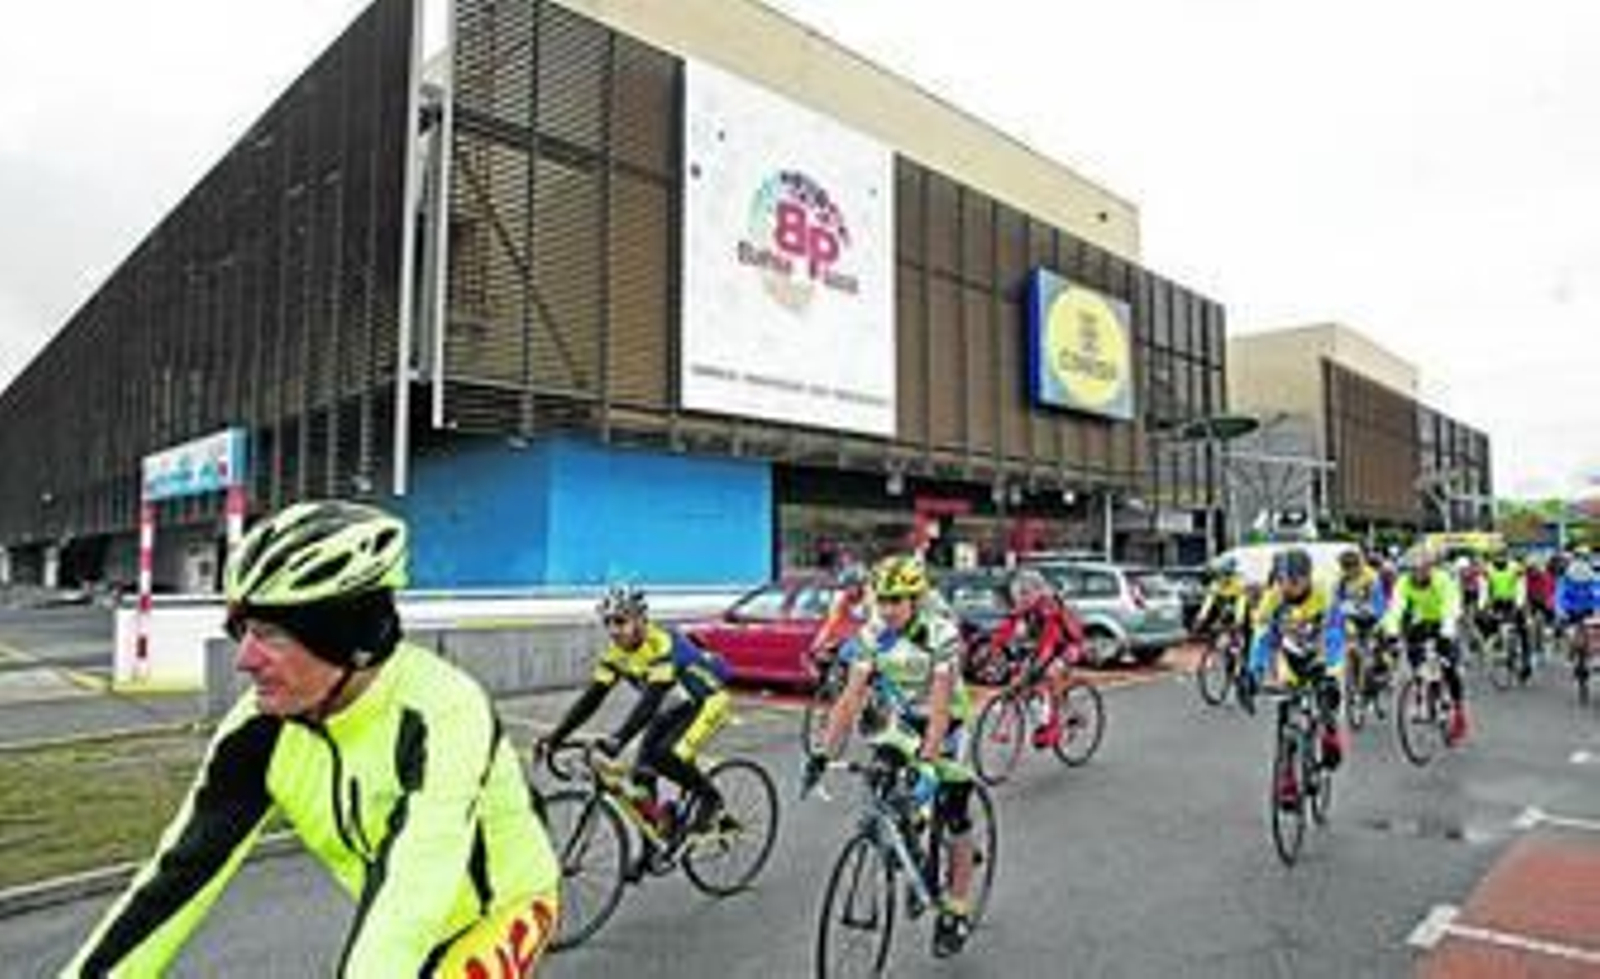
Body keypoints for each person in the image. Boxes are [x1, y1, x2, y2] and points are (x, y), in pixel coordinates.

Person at [64, 501, 559, 977]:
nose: (245, 659)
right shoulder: (257, 729)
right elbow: (178, 877)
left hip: (499, 906)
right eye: (243, 630)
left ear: (352, 642)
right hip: (393, 920)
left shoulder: (442, 712)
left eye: (271, 634)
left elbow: (411, 889)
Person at [803, 554, 978, 958]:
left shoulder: (941, 633)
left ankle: (956, 908)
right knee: (881, 773)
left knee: (955, 814)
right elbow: (850, 699)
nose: (887, 609)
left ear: (915, 600)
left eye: (896, 600)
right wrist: (823, 754)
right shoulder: (873, 633)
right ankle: (910, 846)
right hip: (904, 721)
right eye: (881, 600)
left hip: (947, 721)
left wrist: (928, 763)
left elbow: (940, 705)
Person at [535, 584, 733, 868]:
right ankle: (653, 848)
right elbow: (592, 699)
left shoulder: (661, 645)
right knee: (641, 776)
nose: (614, 630)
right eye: (608, 623)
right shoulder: (616, 653)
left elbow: (649, 703)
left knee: (668, 755)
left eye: (620, 621)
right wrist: (555, 737)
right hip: (673, 706)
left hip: (707, 702)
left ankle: (711, 799)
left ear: (640, 619)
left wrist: (618, 739)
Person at [1238, 548, 1346, 806]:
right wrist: (1253, 671)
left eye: (1295, 581)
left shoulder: (1324, 594)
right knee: (1286, 715)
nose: (1289, 586)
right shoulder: (1273, 598)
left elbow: (1335, 635)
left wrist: (1331, 671)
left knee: (1327, 696)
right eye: (1283, 580)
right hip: (1291, 657)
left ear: (1308, 577)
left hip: (1321, 654)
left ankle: (1331, 735)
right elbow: (1262, 638)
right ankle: (1287, 779)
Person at [984, 567, 1087, 747]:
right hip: (1044, 648)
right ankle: (1006, 729)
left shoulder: (1049, 608)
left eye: (1026, 593)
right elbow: (1005, 630)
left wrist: (1035, 667)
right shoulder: (1024, 608)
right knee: (1017, 684)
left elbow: (1049, 642)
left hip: (1067, 646)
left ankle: (1055, 724)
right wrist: (992, 650)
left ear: (1038, 592)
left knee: (1050, 674)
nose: (1021, 598)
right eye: (1018, 594)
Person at [1382, 549, 1470, 744]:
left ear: (1430, 568)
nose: (1417, 574)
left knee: (1449, 668)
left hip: (1445, 621)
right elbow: (1395, 607)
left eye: (1422, 569)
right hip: (1423, 621)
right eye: (1413, 570)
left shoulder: (1442, 580)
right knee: (1415, 656)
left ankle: (1459, 711)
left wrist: (1447, 632)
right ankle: (1421, 691)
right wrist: (1391, 633)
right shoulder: (1403, 582)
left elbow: (1451, 606)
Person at [808, 561, 872, 681]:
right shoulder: (843, 600)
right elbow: (830, 623)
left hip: (867, 643)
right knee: (825, 654)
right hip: (849, 641)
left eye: (852, 585)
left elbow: (873, 623)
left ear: (861, 585)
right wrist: (817, 644)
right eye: (846, 586)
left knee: (848, 652)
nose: (848, 589)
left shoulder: (870, 600)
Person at [1334, 548, 1388, 678]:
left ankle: (1380, 661)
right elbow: (1336, 601)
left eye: (1351, 566)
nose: (1349, 570)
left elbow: (1379, 602)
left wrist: (1375, 613)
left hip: (1371, 615)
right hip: (1353, 615)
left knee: (1378, 636)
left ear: (1358, 564)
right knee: (1347, 637)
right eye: (1345, 567)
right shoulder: (1341, 580)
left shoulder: (1371, 576)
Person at [1479, 548, 1531, 679]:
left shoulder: (1516, 568)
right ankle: (1492, 649)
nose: (1500, 560)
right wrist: (1482, 606)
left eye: (1503, 557)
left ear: (1507, 557)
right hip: (1496, 602)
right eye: (1497, 557)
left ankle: (1526, 660)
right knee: (1487, 624)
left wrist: (1519, 604)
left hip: (1513, 601)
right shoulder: (1487, 570)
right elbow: (1483, 589)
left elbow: (1521, 587)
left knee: (1523, 630)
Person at [1194, 557, 1250, 639]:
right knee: (1216, 619)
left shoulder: (1239, 583)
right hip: (1222, 607)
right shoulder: (1216, 584)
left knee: (1237, 625)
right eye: (1221, 575)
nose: (1223, 578)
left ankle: (1237, 635)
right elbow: (1208, 601)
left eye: (1226, 575)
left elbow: (1241, 603)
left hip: (1236, 607)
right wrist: (1201, 617)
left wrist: (1239, 621)